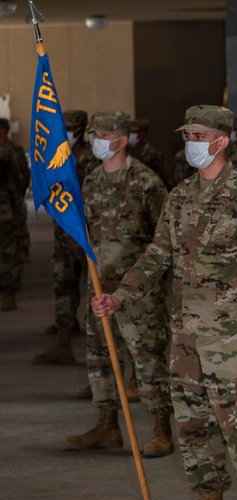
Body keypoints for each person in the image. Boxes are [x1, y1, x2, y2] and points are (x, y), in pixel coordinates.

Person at [91, 105, 237, 500]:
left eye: (199, 135)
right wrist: (121, 296)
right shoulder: (180, 197)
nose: (191, 143)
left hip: (234, 338)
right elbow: (157, 255)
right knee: (193, 426)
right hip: (185, 334)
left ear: (222, 141)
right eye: (187, 135)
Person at [65, 111, 173, 457]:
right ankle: (107, 424)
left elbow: (166, 240)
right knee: (99, 356)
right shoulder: (92, 180)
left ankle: (160, 430)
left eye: (103, 135)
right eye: (94, 134)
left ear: (122, 140)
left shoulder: (147, 183)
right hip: (100, 285)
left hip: (138, 290)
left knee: (147, 360)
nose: (96, 140)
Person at [34, 109, 99, 364]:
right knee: (62, 285)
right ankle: (64, 340)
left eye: (71, 129)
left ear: (83, 129)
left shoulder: (93, 160)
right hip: (64, 236)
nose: (68, 133)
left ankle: (99, 351)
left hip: (88, 237)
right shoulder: (57, 158)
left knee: (94, 289)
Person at [0, 117, 30, 311]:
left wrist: (17, 199)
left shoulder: (10, 152)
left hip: (6, 208)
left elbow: (22, 177)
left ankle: (9, 292)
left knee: (8, 252)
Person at [127, 119, 173, 188]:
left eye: (134, 132)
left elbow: (164, 180)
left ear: (142, 134)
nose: (130, 135)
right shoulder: (129, 152)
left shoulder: (154, 155)